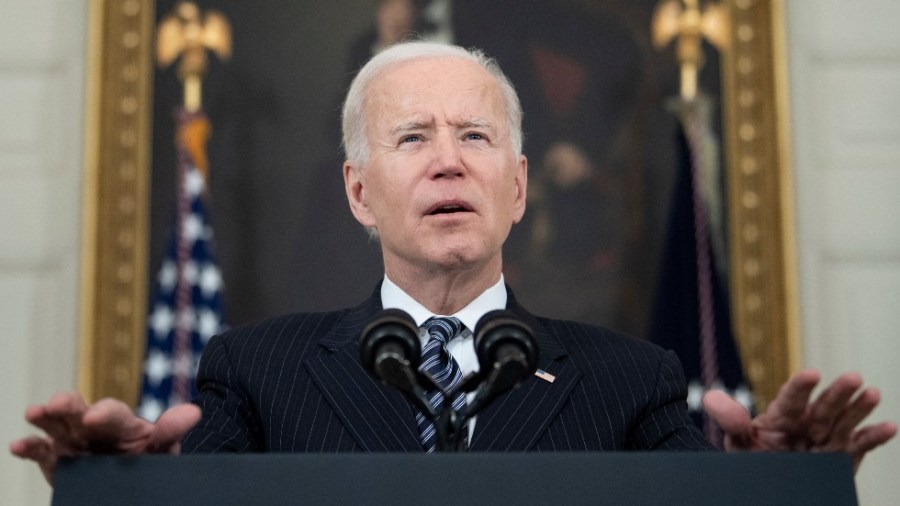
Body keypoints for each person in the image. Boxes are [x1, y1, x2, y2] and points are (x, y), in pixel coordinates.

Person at [10, 41, 896, 484]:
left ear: (517, 188)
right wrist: (112, 491)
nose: (448, 160)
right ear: (360, 194)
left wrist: (782, 490)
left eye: (476, 137)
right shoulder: (257, 372)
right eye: (412, 138)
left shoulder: (634, 383)